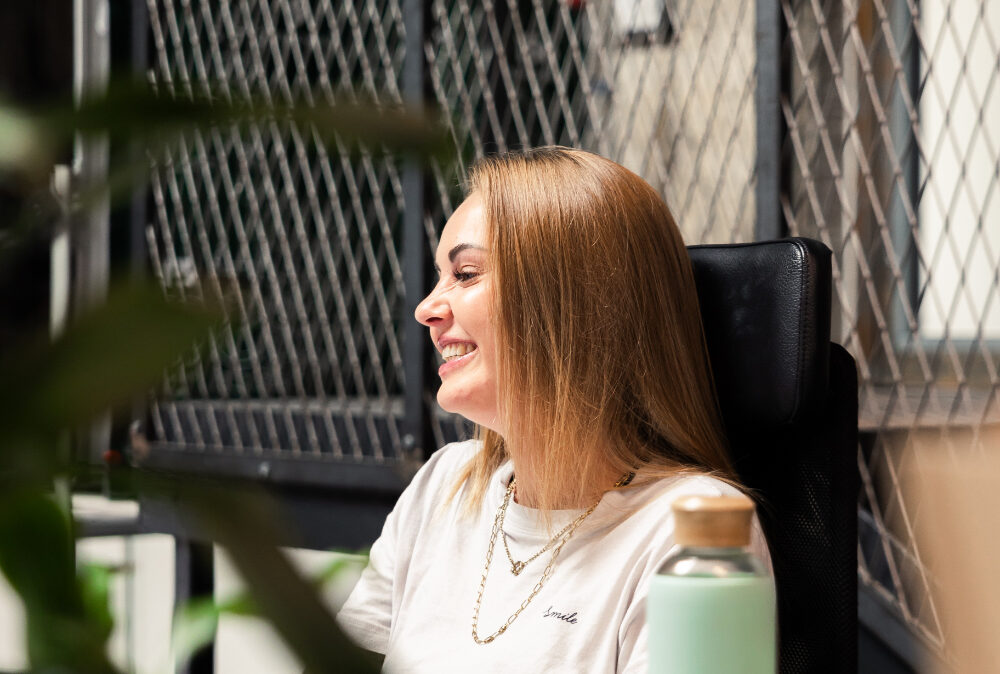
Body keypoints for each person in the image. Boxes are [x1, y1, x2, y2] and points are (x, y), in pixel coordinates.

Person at [336, 147, 771, 672]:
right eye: (439, 276)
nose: (426, 308)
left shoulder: (696, 530)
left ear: (571, 302)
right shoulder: (442, 484)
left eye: (466, 274)